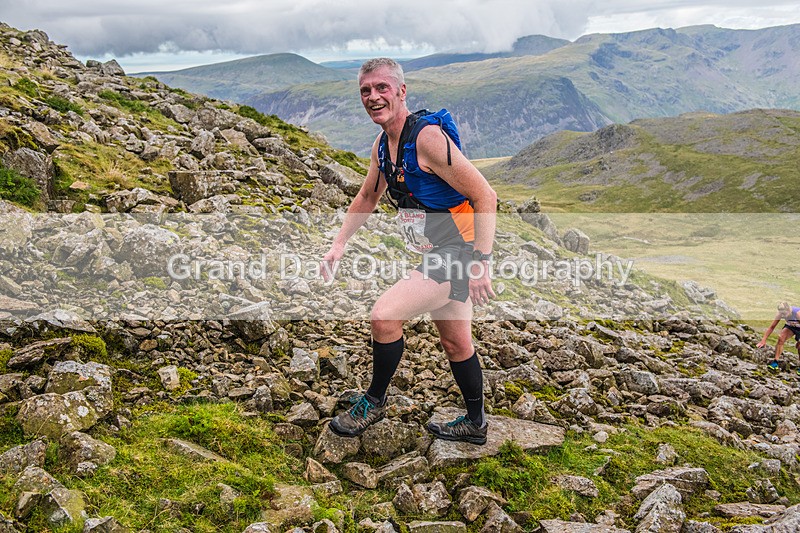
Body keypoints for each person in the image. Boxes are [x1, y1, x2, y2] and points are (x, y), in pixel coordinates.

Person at [321, 58, 497, 445]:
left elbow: (486, 195)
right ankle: (475, 423)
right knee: (456, 342)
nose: (373, 97)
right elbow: (368, 195)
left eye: (382, 88)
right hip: (436, 251)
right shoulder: (384, 145)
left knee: (384, 317)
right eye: (365, 90)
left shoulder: (428, 139)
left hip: (457, 252)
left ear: (401, 92)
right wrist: (339, 243)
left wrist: (481, 264)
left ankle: (374, 400)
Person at [758, 302, 800, 372]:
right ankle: (775, 362)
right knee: (781, 338)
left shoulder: (797, 314)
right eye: (782, 315)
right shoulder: (780, 313)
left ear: (789, 309)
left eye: (785, 314)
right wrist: (763, 340)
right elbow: (772, 327)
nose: (784, 316)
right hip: (791, 326)